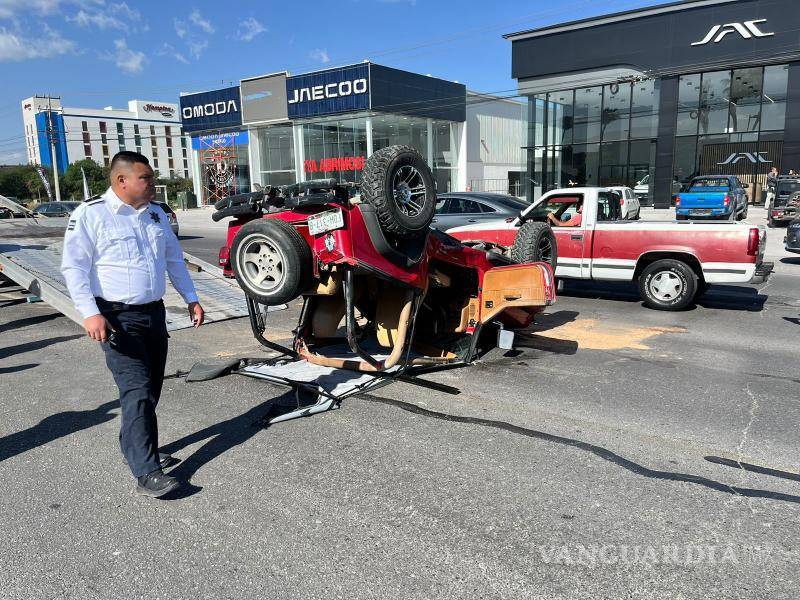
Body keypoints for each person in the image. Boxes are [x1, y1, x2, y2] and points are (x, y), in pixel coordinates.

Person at [61, 151, 205, 499]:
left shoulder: (155, 214)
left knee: (151, 389)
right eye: (146, 178)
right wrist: (89, 313)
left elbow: (174, 260)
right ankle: (146, 470)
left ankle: (135, 446)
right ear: (121, 180)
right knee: (137, 389)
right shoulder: (91, 215)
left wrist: (191, 298)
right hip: (114, 318)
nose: (153, 184)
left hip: (153, 314)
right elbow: (74, 268)